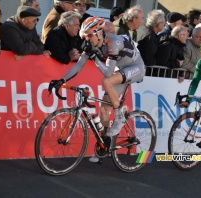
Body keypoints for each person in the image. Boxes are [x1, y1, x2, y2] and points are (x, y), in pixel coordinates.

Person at [48, 17, 145, 161]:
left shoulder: (113, 42)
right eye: (85, 36)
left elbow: (107, 72)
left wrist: (94, 57)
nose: (87, 39)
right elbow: (78, 65)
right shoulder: (90, 44)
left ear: (100, 33)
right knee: (104, 108)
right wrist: (62, 80)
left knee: (107, 80)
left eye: (90, 35)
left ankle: (119, 117)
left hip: (136, 68)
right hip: (120, 69)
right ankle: (104, 145)